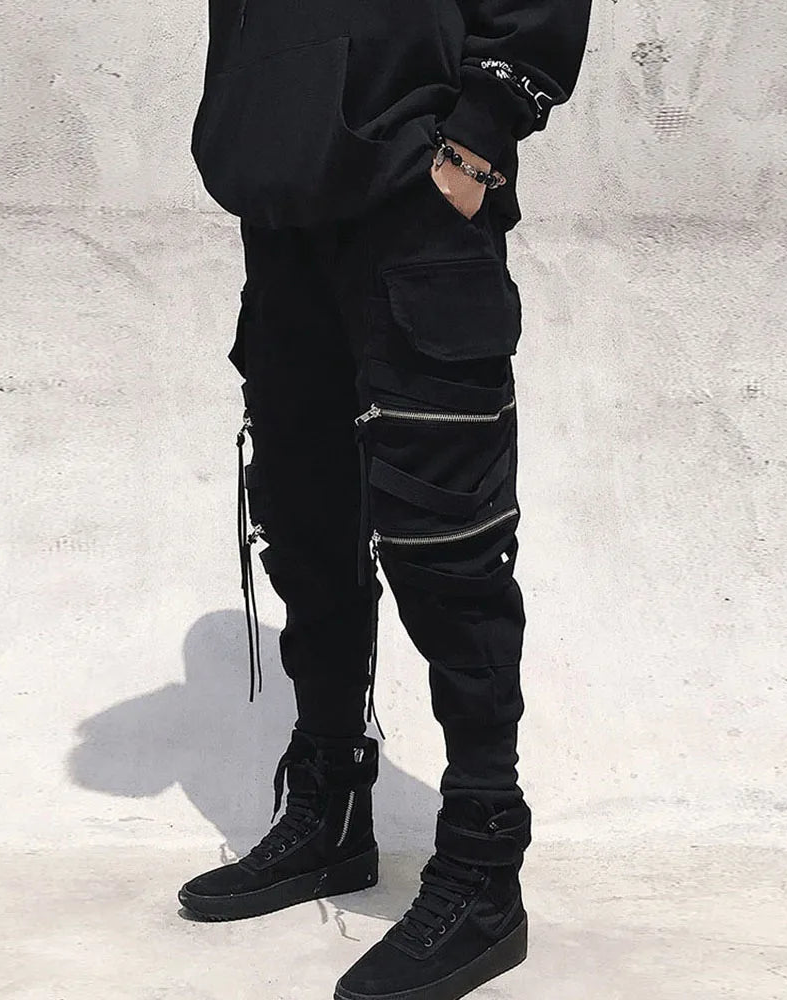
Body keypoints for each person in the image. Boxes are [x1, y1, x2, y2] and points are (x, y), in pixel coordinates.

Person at [178, 1, 592, 997]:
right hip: (285, 213)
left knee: (449, 546)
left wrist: (476, 139)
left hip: (416, 199)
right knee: (305, 525)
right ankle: (329, 812)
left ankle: (483, 867)